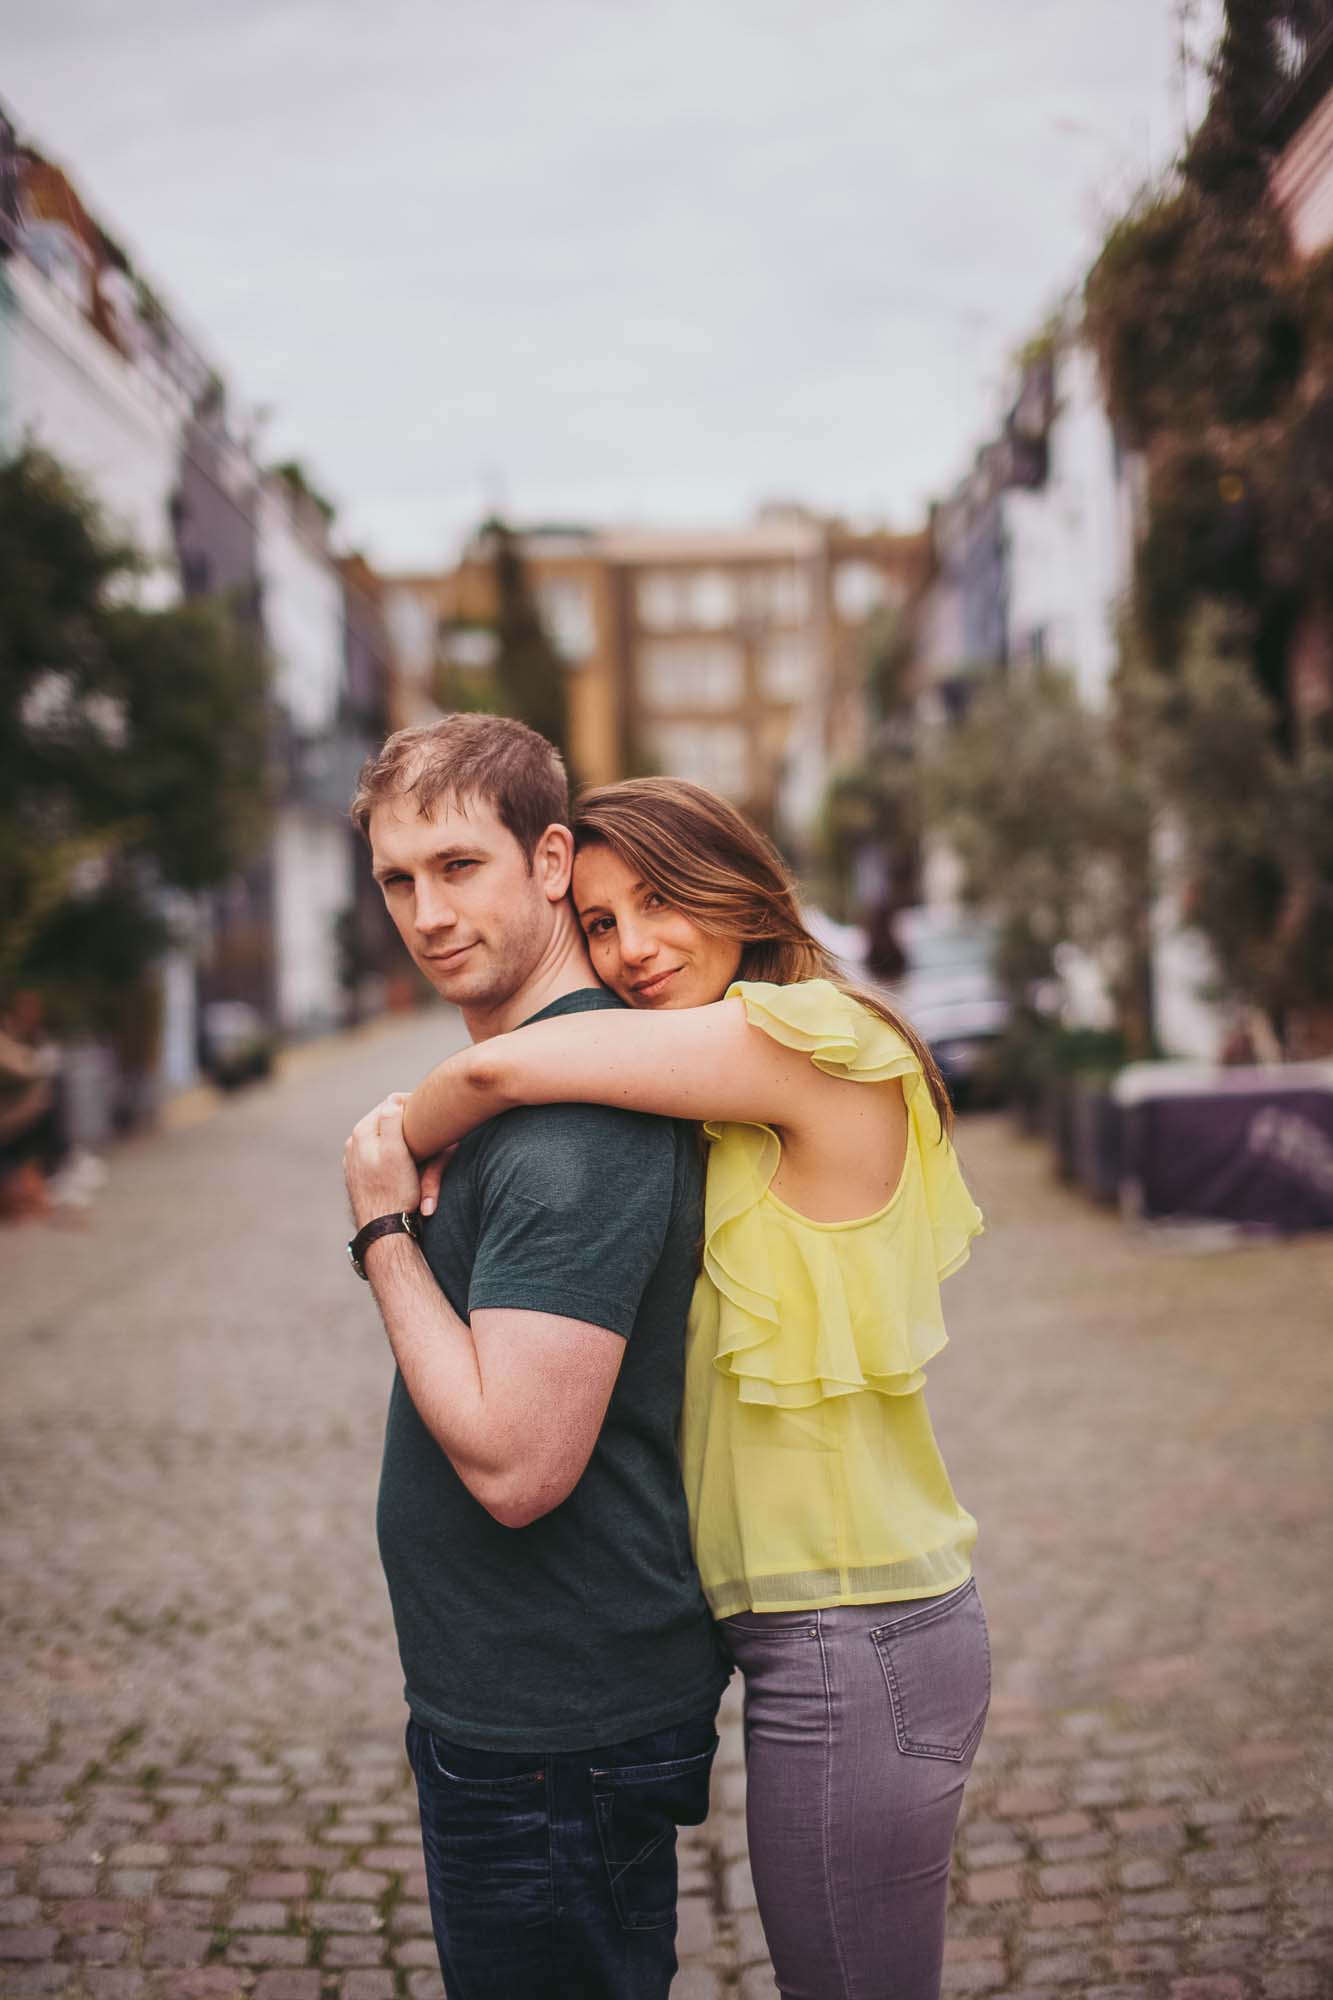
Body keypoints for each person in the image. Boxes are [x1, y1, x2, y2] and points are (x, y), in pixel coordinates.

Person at [403, 774, 992, 2000]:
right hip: (801, 1637)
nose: (632, 949)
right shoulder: (720, 1103)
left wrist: (399, 1139)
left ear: (741, 889)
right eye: (604, 921)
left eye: (662, 900)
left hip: (854, 1627)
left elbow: (511, 1070)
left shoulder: (827, 1039)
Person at [342, 721, 730, 2000]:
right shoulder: (520, 1085)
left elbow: (516, 1463)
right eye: (399, 878)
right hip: (521, 1713)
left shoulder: (575, 1128)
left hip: (556, 1734)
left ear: (551, 857)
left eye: (459, 865)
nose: (426, 910)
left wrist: (383, 1230)